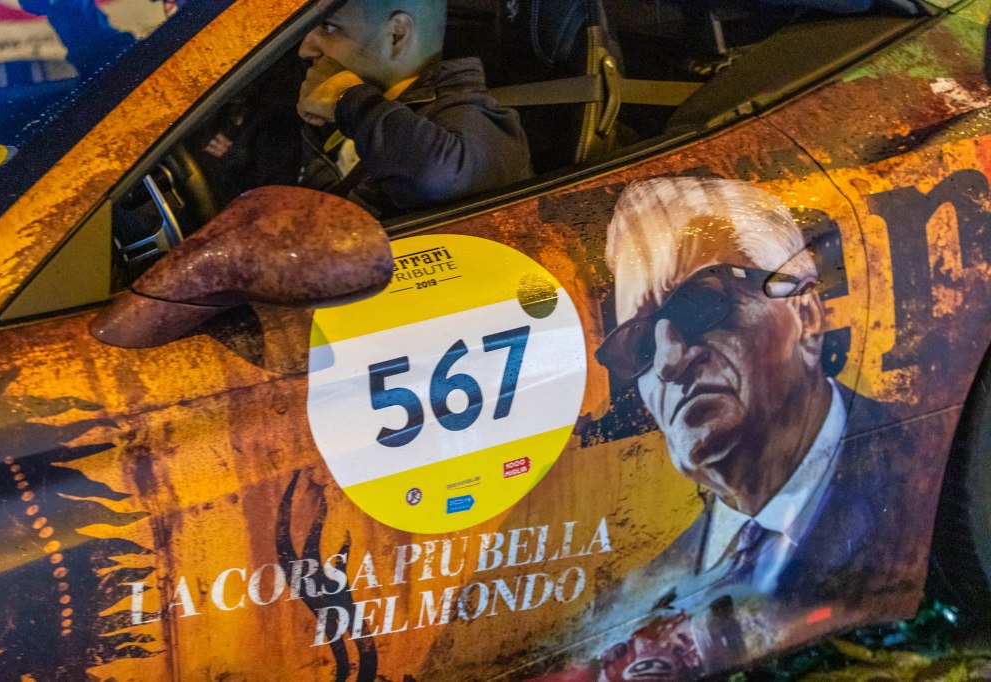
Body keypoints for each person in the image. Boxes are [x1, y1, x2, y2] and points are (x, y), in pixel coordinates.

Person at [536, 178, 924, 681]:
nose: (668, 361)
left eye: (699, 306)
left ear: (806, 314)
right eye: (641, 345)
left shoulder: (924, 462)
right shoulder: (645, 588)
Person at [293, 0, 533, 216]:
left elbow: (439, 177)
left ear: (397, 35)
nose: (305, 49)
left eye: (329, 27)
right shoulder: (362, 115)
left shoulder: (469, 120)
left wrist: (348, 99)